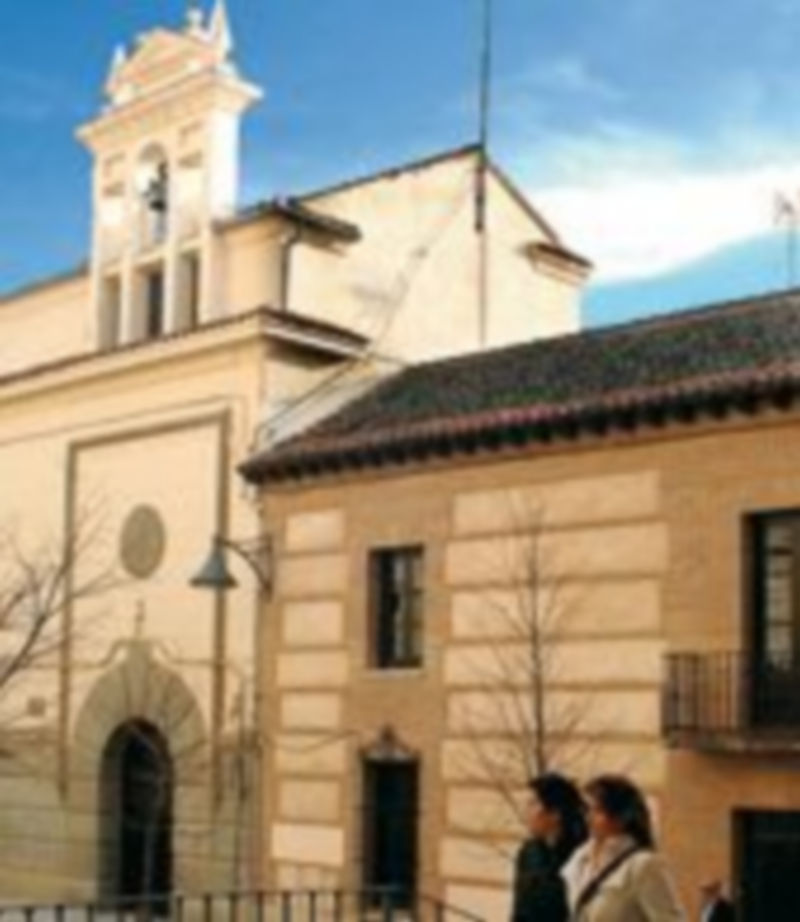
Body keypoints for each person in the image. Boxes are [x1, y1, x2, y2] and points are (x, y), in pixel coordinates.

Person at [561, 775, 686, 922]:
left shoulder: (643, 865)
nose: (588, 818)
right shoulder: (580, 859)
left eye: (597, 811)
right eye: (587, 810)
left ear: (621, 816)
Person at [511, 772, 588, 922]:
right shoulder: (528, 853)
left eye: (533, 804)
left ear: (555, 813)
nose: (527, 812)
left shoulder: (582, 855)